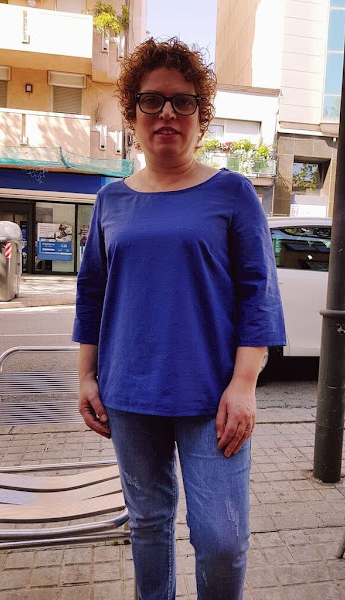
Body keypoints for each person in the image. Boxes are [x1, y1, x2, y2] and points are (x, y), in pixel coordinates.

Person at [72, 37, 286, 600]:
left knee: (221, 539)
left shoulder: (233, 193)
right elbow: (92, 293)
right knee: (147, 524)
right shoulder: (110, 200)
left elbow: (259, 296)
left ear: (200, 115)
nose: (167, 112)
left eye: (182, 101)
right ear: (133, 113)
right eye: (152, 100)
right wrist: (86, 375)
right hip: (128, 392)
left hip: (213, 396)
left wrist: (245, 385)